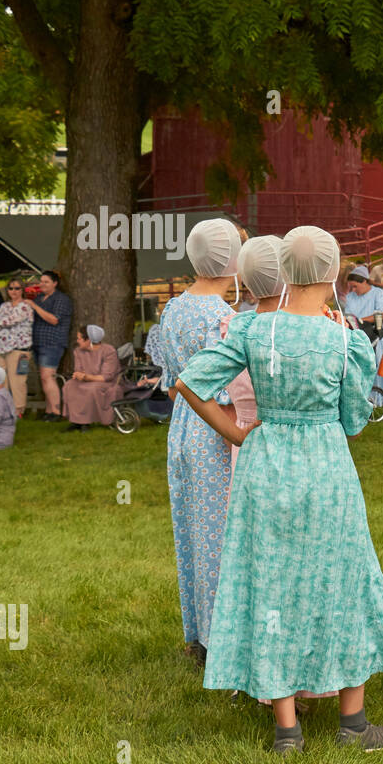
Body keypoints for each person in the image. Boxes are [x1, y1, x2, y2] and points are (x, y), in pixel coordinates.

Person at [174, 224, 383, 755]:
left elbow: (189, 381)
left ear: (283, 269)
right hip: (326, 469)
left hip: (264, 467)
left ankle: (287, 730)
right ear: (332, 274)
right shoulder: (344, 338)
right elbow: (353, 419)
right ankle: (353, 723)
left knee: (271, 582)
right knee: (346, 578)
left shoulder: (253, 331)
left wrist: (236, 431)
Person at [151, 219, 240, 660]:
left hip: (182, 426)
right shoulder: (223, 318)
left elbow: (171, 385)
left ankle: (200, 635)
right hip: (213, 429)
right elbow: (222, 393)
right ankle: (221, 637)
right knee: (220, 533)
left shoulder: (174, 308)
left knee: (192, 529)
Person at [220, 236, 285, 476]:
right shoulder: (302, 328)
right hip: (293, 437)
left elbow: (188, 386)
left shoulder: (233, 328)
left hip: (247, 438)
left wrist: (235, 433)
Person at [342, 266, 383, 410]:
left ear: (364, 282)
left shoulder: (378, 294)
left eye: (355, 286)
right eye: (351, 287)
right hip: (357, 336)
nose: (353, 290)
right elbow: (348, 316)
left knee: (380, 367)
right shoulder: (350, 297)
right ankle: (364, 401)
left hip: (375, 335)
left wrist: (360, 320)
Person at [28, 270, 74, 421]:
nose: (42, 284)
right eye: (41, 281)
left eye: (46, 282)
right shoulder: (39, 298)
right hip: (37, 342)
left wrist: (34, 307)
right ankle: (49, 411)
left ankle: (56, 411)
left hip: (52, 342)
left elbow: (54, 319)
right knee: (43, 378)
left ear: (55, 283)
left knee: (48, 376)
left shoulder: (61, 299)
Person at [62, 325, 124, 431]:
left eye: (79, 338)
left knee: (91, 389)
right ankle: (76, 421)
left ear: (89, 340)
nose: (77, 341)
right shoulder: (78, 351)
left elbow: (106, 377)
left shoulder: (109, 351)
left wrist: (85, 376)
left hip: (106, 382)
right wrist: (78, 375)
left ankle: (85, 422)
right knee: (69, 386)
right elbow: (78, 370)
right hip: (86, 380)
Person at [0, 280, 35, 418]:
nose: (13, 291)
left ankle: (18, 410)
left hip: (20, 350)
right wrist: (0, 323)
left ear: (23, 290)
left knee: (19, 381)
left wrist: (0, 323)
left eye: (17, 288)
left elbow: (11, 320)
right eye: (11, 288)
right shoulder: (4, 306)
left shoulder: (26, 306)